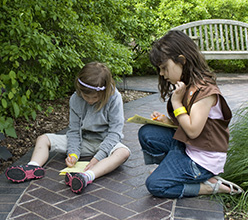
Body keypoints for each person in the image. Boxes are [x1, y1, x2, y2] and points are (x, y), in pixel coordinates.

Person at [138, 30, 243, 198]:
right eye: (159, 69)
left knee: (156, 185)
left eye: (164, 68)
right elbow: (187, 125)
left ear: (182, 61)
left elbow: (193, 130)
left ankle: (209, 186)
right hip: (189, 147)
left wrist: (177, 103)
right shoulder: (187, 84)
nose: (161, 74)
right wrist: (167, 121)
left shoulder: (205, 91)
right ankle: (171, 170)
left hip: (202, 161)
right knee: (147, 133)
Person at [5, 62, 130, 194]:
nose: (90, 101)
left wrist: (97, 158)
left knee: (123, 153)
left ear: (103, 93)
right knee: (43, 139)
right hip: (84, 141)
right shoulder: (75, 99)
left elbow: (115, 133)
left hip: (106, 142)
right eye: (86, 96)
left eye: (95, 97)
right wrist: (73, 154)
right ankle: (33, 167)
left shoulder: (114, 98)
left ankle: (87, 176)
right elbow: (74, 131)